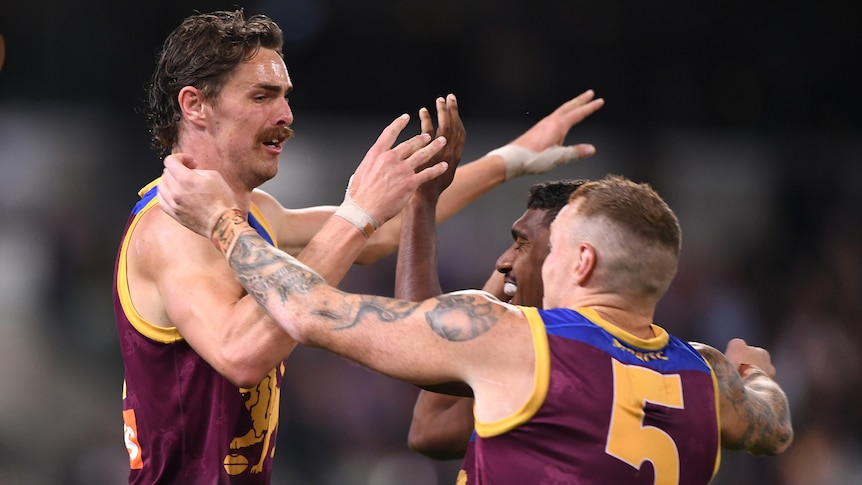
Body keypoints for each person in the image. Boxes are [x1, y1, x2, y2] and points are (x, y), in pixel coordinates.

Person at [113, 9, 604, 484]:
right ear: (195, 105)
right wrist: (355, 212)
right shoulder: (174, 230)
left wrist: (512, 158)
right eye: (262, 96)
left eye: (285, 96)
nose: (285, 114)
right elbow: (242, 353)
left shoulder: (257, 213)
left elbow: (382, 235)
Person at [158, 166, 794, 483]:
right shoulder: (709, 379)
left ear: (582, 259)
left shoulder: (512, 337)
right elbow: (776, 424)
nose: (516, 260)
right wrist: (753, 372)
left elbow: (310, 310)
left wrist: (222, 221)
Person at [398, 178, 796, 472]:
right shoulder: (699, 370)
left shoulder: (534, 350)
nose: (502, 260)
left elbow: (414, 342)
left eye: (521, 242)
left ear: (577, 256)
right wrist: (749, 372)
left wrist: (420, 201)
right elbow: (434, 429)